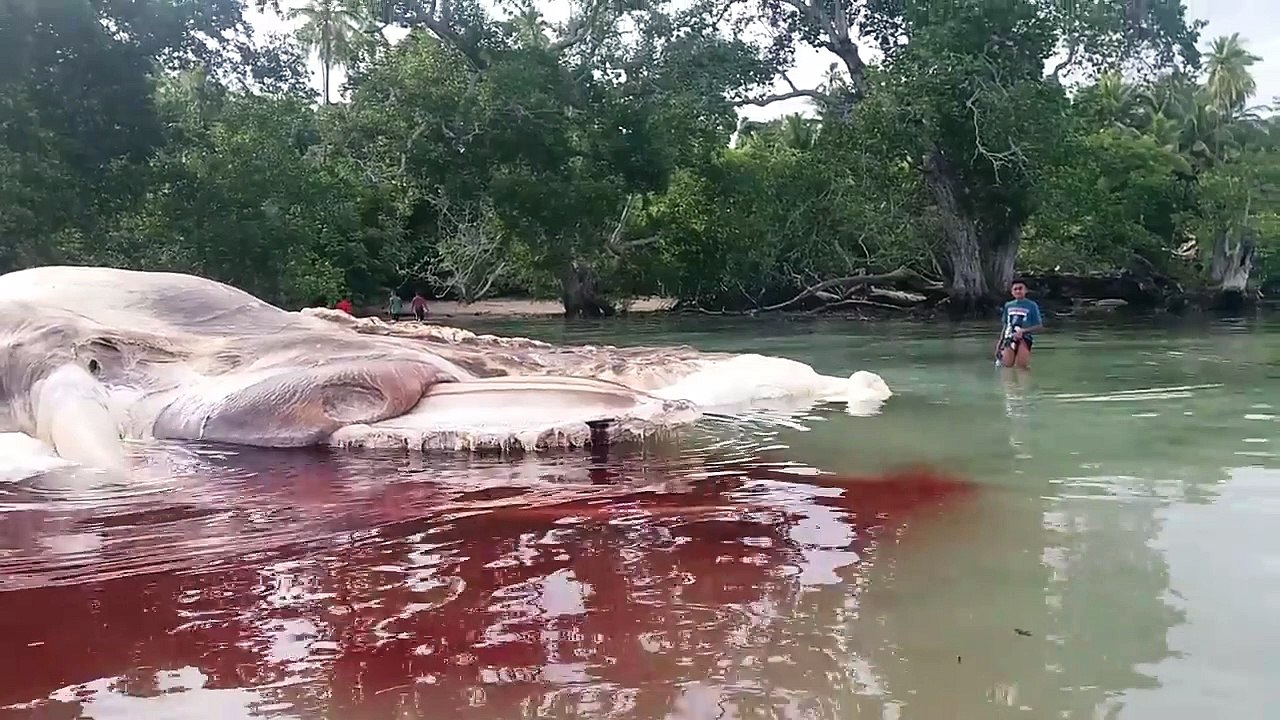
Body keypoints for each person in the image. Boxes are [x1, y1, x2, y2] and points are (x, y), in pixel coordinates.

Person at [994, 278, 1043, 369]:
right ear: (1012, 292)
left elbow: (1039, 326)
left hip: (1024, 338)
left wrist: (1023, 331)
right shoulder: (1008, 305)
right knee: (1007, 367)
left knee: (1022, 367)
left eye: (1020, 288)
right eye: (1015, 289)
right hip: (1009, 338)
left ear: (1026, 290)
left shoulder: (1032, 305)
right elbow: (1006, 325)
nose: (1018, 291)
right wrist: (999, 344)